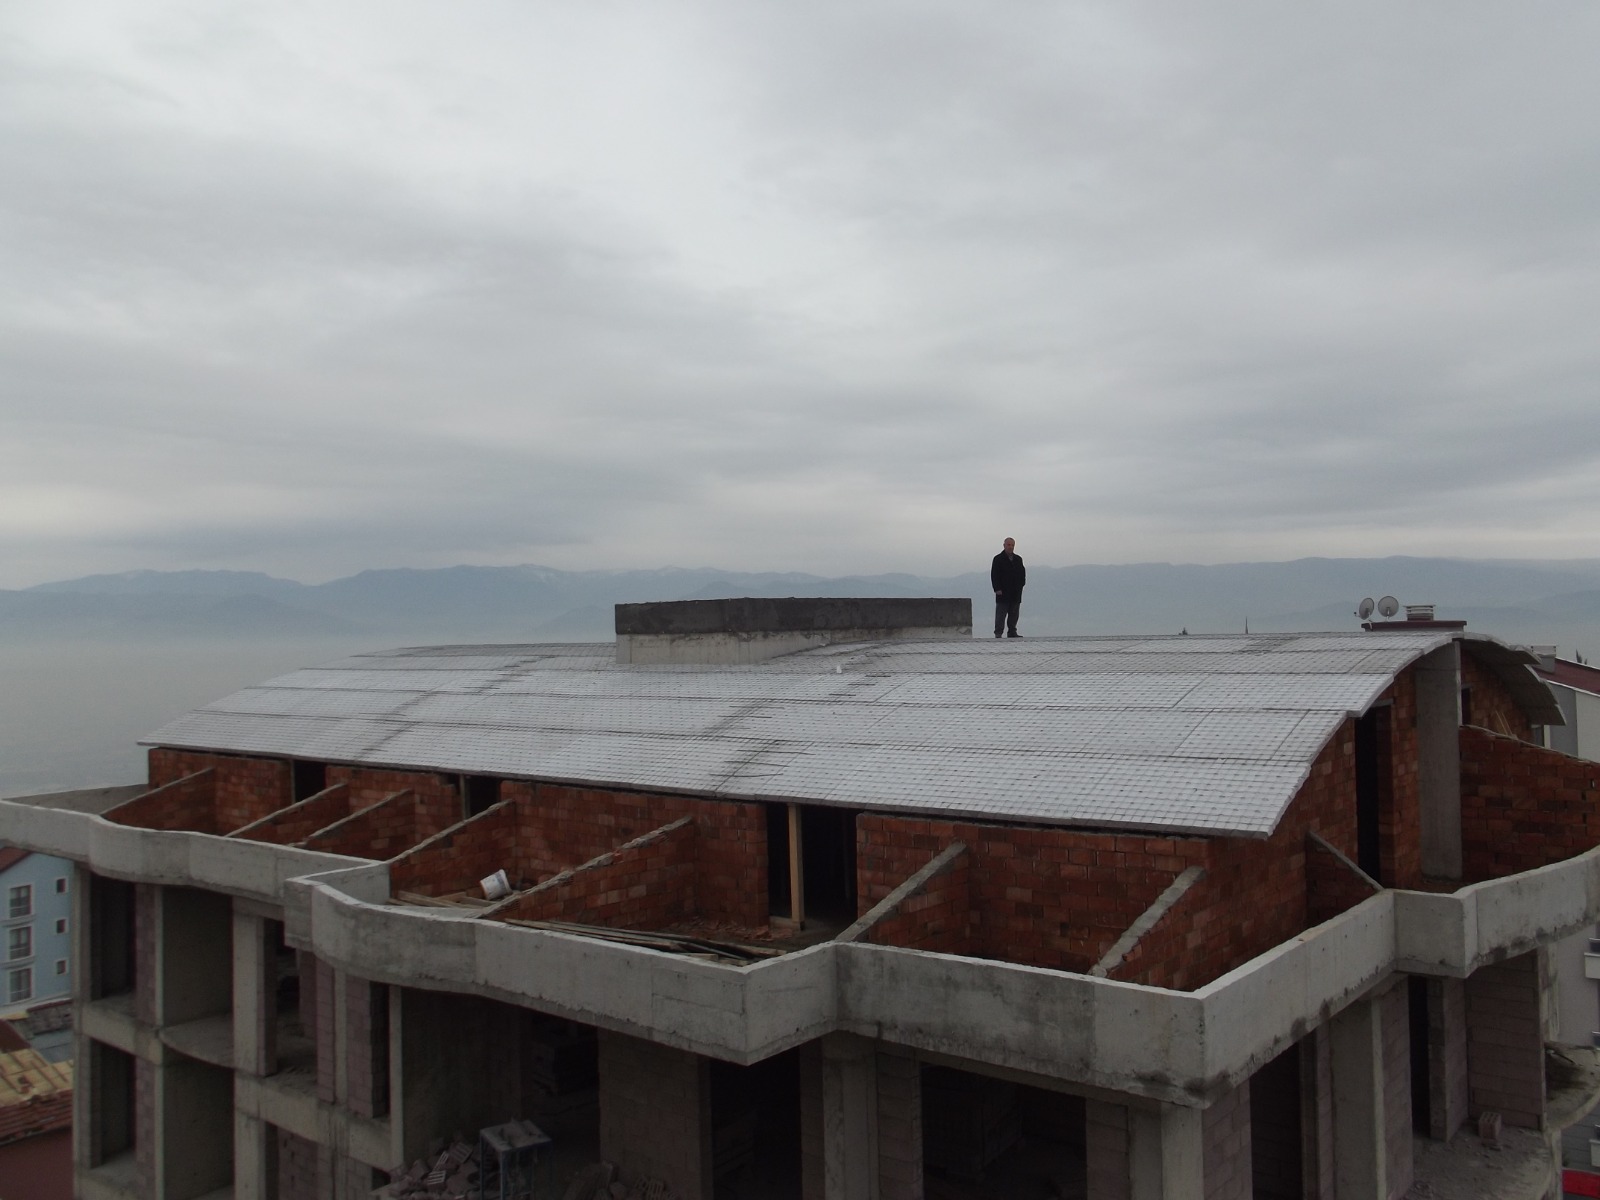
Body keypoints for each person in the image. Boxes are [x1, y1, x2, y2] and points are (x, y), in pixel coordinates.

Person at [990, 537, 1025, 638]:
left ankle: (1012, 631)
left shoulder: (1018, 559)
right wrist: (997, 588)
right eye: (1009, 545)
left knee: (1014, 614)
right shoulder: (998, 559)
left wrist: (1021, 586)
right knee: (1001, 614)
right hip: (1003, 591)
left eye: (1012, 545)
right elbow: (994, 575)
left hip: (1015, 592)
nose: (1010, 547)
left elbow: (1022, 574)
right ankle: (998, 633)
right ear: (1004, 545)